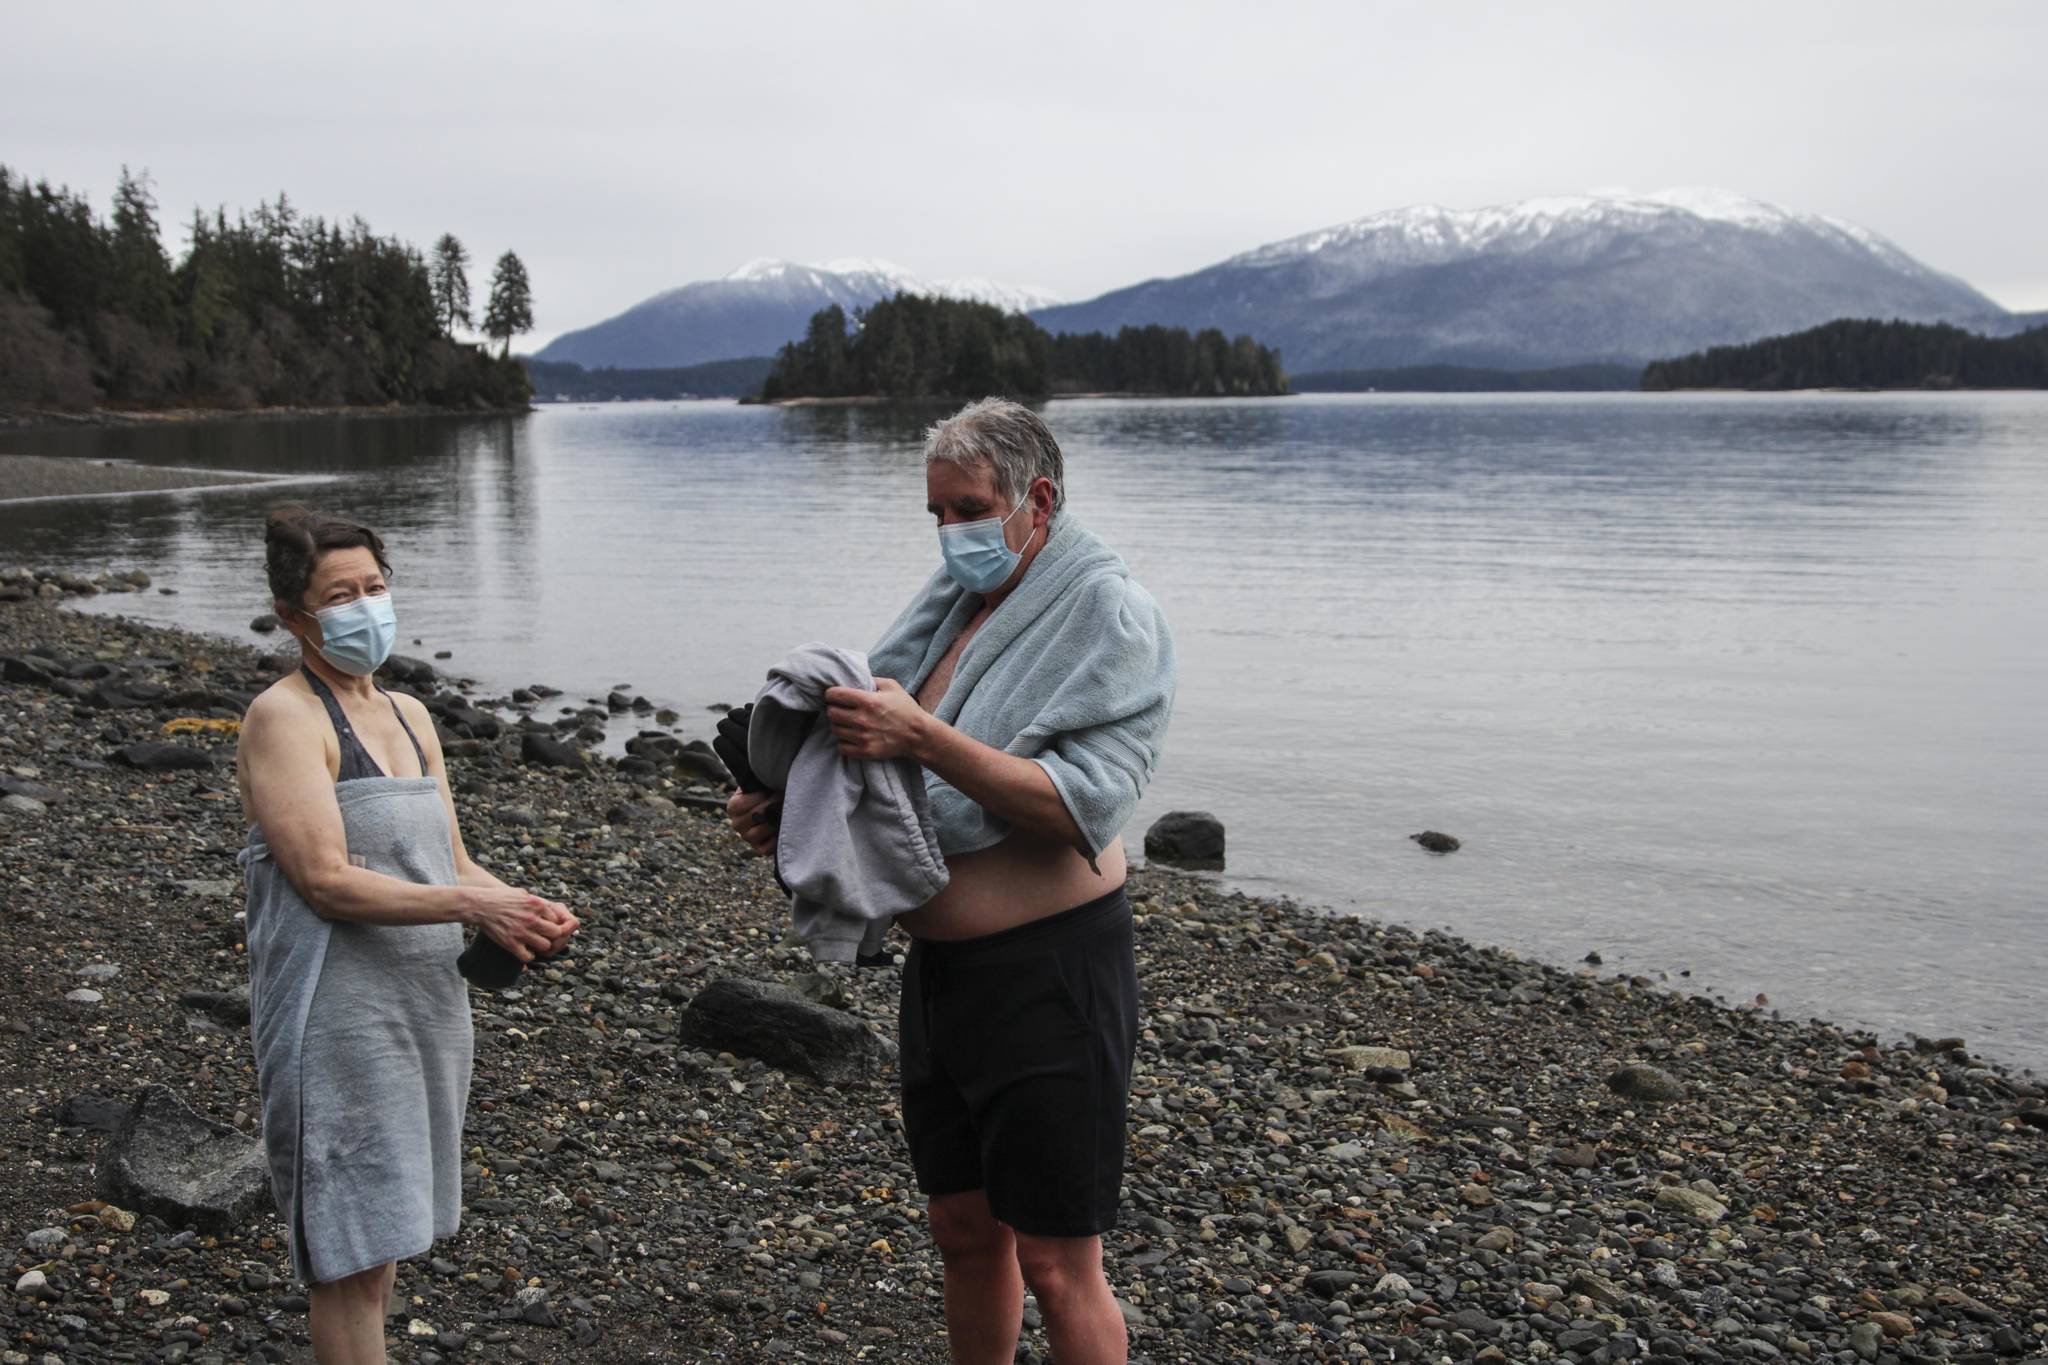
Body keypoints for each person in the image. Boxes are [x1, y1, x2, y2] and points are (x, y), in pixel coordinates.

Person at [728, 399, 1176, 1365]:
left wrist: (922, 735)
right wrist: (786, 806)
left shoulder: (1109, 614)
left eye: (966, 508)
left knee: (1061, 1264)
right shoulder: (962, 605)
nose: (949, 533)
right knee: (965, 1233)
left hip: (1051, 976)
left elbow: (1084, 805)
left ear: (1037, 499)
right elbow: (888, 780)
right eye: (935, 514)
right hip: (943, 977)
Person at [235, 505, 578, 1364]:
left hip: (427, 1006)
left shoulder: (412, 715)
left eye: (375, 587)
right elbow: (324, 880)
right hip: (336, 1017)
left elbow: (452, 861)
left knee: (383, 1247)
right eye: (339, 594)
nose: (364, 606)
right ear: (293, 617)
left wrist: (522, 902)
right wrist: (476, 909)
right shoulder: (284, 718)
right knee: (346, 1253)